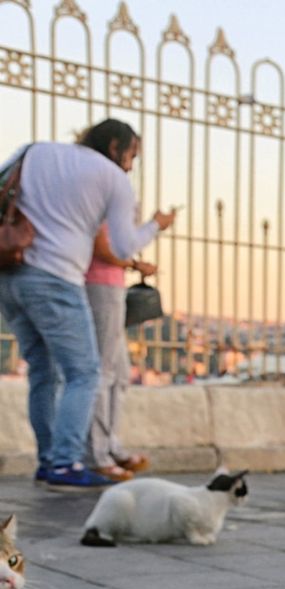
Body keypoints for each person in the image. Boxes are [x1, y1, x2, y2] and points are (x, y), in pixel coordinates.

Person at [0, 120, 173, 491]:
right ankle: (64, 462)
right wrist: (156, 226)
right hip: (56, 277)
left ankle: (49, 461)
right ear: (115, 146)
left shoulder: (36, 150)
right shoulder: (112, 178)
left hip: (10, 273)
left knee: (42, 372)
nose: (131, 165)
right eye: (132, 156)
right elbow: (125, 247)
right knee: (85, 373)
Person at [84, 220, 157, 482]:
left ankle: (109, 445)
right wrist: (155, 226)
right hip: (98, 283)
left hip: (111, 284)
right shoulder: (102, 187)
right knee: (102, 373)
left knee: (119, 374)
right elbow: (103, 246)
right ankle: (97, 454)